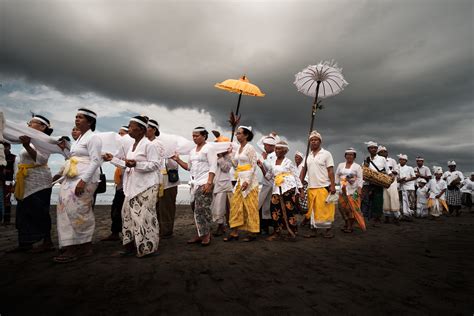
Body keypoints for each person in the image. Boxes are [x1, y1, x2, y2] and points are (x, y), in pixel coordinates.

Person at [104, 116, 162, 257]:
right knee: (127, 217)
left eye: (131, 126)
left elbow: (155, 164)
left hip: (146, 186)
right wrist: (113, 159)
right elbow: (127, 164)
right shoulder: (131, 146)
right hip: (131, 187)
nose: (129, 129)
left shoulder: (150, 145)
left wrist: (136, 164)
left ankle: (148, 249)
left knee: (145, 219)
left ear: (141, 129)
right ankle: (129, 247)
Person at [54, 108, 102, 263]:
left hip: (84, 179)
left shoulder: (93, 138)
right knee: (64, 209)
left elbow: (95, 161)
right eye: (76, 117)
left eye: (80, 117)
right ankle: (72, 244)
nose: (76, 119)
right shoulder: (78, 140)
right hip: (71, 178)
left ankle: (82, 246)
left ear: (90, 121)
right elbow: (73, 159)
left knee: (79, 210)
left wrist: (83, 181)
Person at [7, 115, 54, 253]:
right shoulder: (27, 138)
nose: (28, 125)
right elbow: (21, 163)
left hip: (40, 181)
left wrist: (27, 146)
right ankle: (25, 243)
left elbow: (41, 159)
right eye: (28, 122)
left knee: (40, 211)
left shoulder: (45, 141)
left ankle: (47, 241)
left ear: (42, 126)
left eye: (32, 123)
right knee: (23, 212)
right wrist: (16, 181)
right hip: (25, 180)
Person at [173, 127, 216, 246]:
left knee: (202, 208)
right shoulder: (192, 151)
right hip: (194, 183)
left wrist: (209, 183)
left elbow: (213, 166)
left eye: (197, 136)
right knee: (195, 208)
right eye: (193, 136)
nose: (194, 138)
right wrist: (178, 160)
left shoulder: (209, 148)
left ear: (204, 136)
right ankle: (200, 233)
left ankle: (206, 235)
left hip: (205, 182)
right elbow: (188, 167)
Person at [259, 141, 303, 240]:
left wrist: (301, 190)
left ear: (284, 151)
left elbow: (296, 176)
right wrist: (261, 167)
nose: (277, 150)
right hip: (276, 188)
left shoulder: (288, 162)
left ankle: (292, 230)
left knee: (289, 210)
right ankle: (277, 232)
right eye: (276, 149)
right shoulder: (273, 163)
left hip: (287, 188)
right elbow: (268, 177)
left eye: (279, 149)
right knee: (274, 210)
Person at [224, 126, 260, 242]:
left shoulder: (250, 148)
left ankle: (253, 232)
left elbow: (253, 166)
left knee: (250, 206)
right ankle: (234, 232)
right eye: (236, 133)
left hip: (249, 181)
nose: (237, 135)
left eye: (239, 133)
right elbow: (235, 165)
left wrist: (247, 181)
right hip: (240, 179)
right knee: (235, 205)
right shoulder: (239, 148)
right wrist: (230, 155)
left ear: (246, 135)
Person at [302, 131, 336, 238]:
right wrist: (300, 185)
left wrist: (333, 185)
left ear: (320, 142)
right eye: (311, 140)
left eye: (316, 140)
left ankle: (328, 230)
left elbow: (330, 170)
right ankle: (314, 230)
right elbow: (304, 170)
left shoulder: (326, 154)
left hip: (323, 186)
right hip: (311, 187)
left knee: (326, 209)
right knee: (313, 211)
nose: (313, 142)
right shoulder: (308, 156)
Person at [101, 126, 129, 242]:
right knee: (115, 208)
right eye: (119, 133)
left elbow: (126, 165)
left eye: (122, 134)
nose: (119, 136)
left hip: (127, 186)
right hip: (120, 185)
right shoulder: (119, 150)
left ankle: (123, 233)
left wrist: (114, 160)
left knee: (121, 210)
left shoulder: (130, 149)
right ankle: (115, 233)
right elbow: (115, 160)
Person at [362, 141, 392, 225]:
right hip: (369, 183)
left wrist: (391, 176)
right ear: (368, 149)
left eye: (375, 148)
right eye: (371, 148)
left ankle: (377, 218)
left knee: (378, 200)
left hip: (379, 182)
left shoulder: (382, 159)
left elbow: (388, 170)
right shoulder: (366, 159)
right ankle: (368, 216)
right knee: (367, 200)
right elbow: (364, 170)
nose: (373, 149)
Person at [335, 148, 364, 233]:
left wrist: (359, 189)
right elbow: (337, 175)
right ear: (345, 156)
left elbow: (360, 178)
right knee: (341, 207)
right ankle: (346, 222)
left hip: (353, 191)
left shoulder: (357, 167)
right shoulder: (340, 165)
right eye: (347, 154)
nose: (349, 156)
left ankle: (350, 226)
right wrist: (335, 185)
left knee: (352, 209)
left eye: (351, 155)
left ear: (354, 156)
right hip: (342, 190)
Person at [210, 134, 233, 237]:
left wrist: (220, 157)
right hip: (214, 182)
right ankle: (221, 225)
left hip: (223, 184)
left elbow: (226, 168)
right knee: (214, 205)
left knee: (220, 206)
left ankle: (221, 226)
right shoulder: (212, 155)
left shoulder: (228, 155)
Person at [257, 134, 277, 234]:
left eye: (267, 145)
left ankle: (267, 228)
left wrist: (264, 160)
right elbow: (258, 143)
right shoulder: (268, 154)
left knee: (266, 207)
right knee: (264, 207)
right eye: (264, 145)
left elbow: (271, 169)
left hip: (271, 185)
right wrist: (261, 166)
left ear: (272, 146)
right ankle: (264, 228)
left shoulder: (274, 155)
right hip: (266, 183)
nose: (264, 147)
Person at [377, 146, 401, 224]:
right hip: (382, 182)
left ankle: (396, 217)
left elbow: (396, 171)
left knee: (394, 199)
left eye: (385, 152)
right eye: (381, 152)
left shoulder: (392, 161)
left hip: (392, 182)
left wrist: (388, 172)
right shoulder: (378, 162)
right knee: (385, 199)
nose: (384, 153)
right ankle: (387, 217)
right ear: (379, 154)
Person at [397, 154, 417, 221]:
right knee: (402, 202)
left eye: (403, 160)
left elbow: (414, 177)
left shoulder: (410, 168)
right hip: (401, 187)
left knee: (410, 201)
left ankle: (410, 215)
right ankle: (404, 215)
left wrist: (406, 180)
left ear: (406, 161)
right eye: (400, 160)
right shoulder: (397, 168)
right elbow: (396, 178)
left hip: (409, 187)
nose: (401, 161)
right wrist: (400, 180)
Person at [1, 142, 16, 225]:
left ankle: (7, 220)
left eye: (7, 146)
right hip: (1, 181)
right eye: (4, 146)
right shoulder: (0, 157)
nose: (5, 148)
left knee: (7, 200)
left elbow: (15, 171)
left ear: (9, 147)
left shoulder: (13, 157)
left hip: (8, 181)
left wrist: (15, 184)